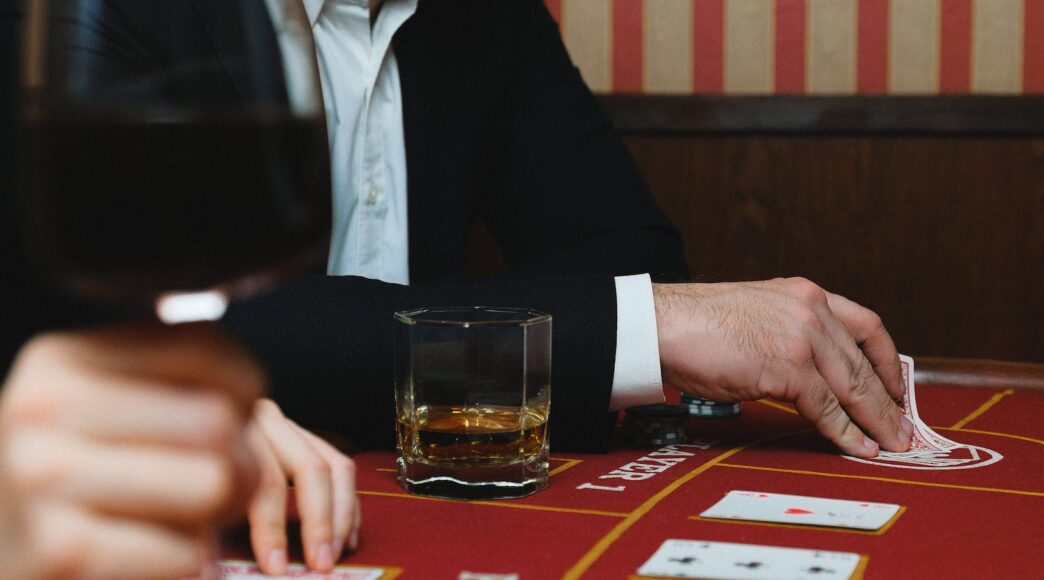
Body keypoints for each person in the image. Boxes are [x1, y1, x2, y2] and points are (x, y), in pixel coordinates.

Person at [0, 0, 915, 577]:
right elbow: (155, 325)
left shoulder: (487, 15)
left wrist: (645, 315)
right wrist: (630, 322)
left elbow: (631, 264)